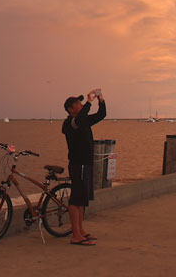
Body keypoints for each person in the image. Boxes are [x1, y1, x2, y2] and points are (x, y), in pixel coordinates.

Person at [62, 88, 106, 246]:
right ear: (70, 109)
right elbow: (79, 120)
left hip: (85, 164)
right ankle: (75, 236)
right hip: (77, 163)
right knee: (76, 199)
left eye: (81, 103)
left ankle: (80, 231)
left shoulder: (83, 120)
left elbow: (102, 115)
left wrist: (100, 99)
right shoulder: (71, 123)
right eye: (78, 104)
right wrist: (89, 101)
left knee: (81, 199)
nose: (81, 105)